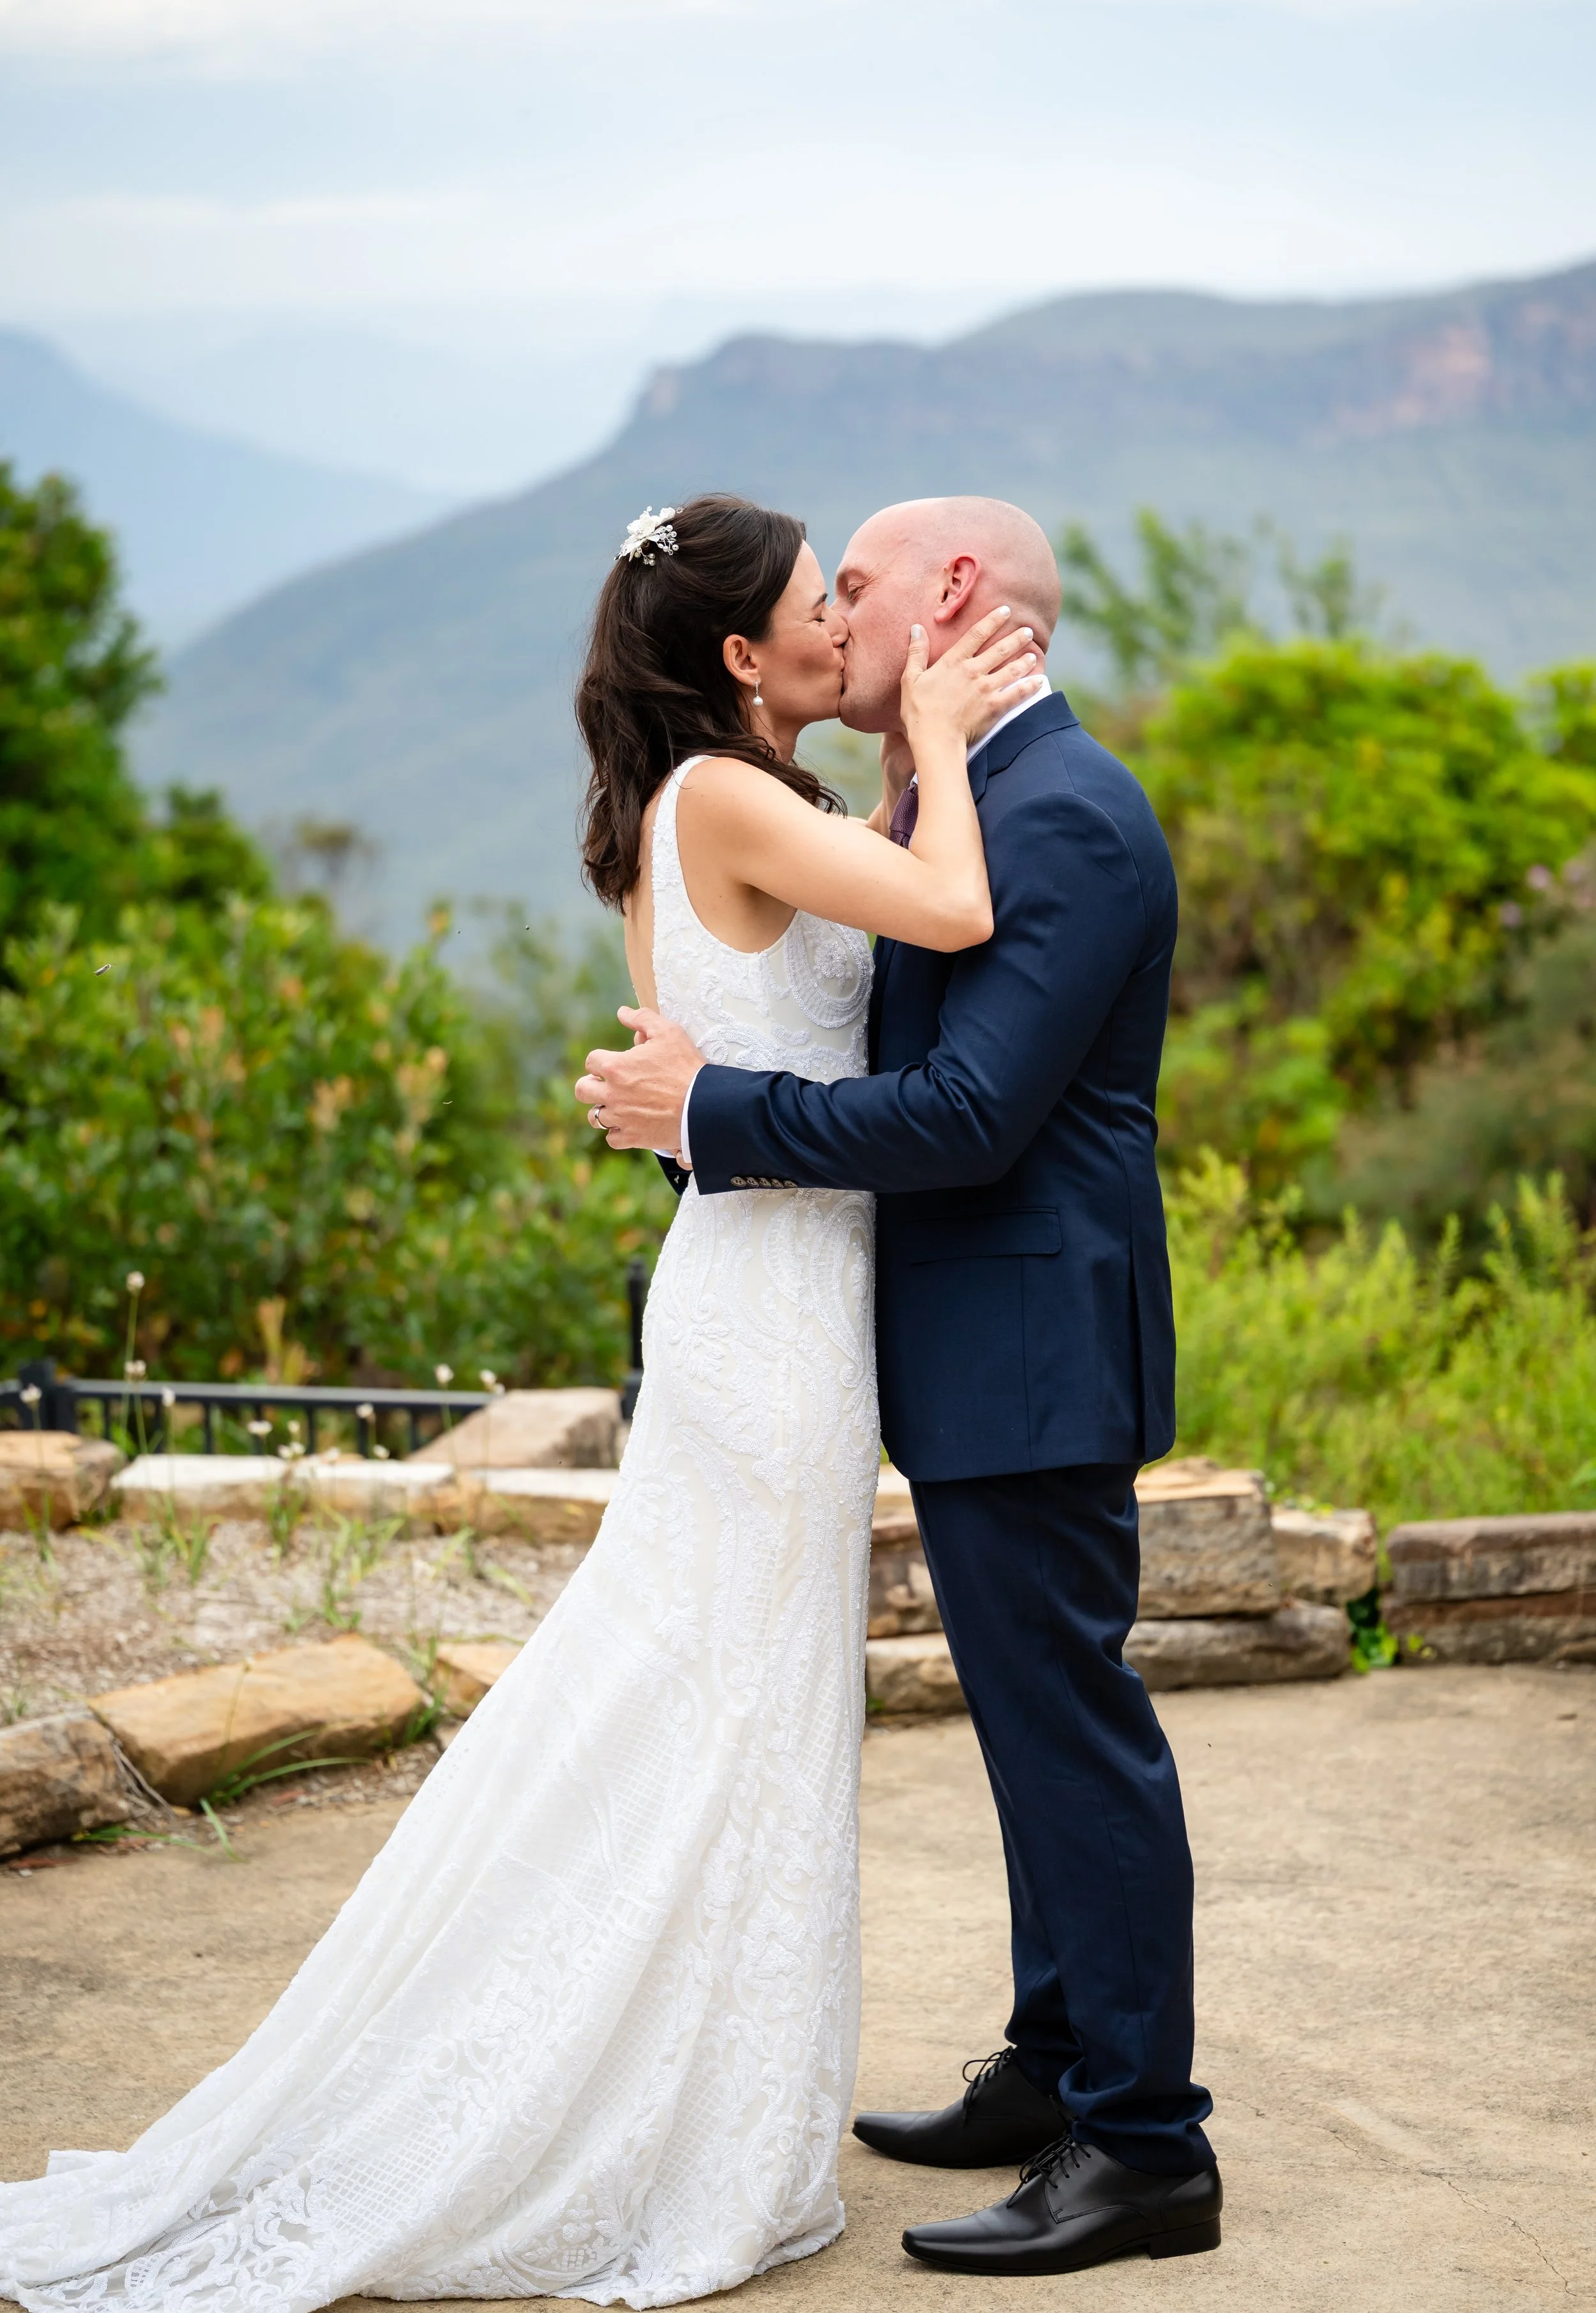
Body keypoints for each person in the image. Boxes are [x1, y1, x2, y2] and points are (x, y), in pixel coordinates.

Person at [0, 493, 1037, 2313]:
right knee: (723, 1703)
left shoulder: (725, 803)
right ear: (738, 654)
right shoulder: (726, 798)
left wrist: (886, 782)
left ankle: (707, 2107)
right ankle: (659, 2129)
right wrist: (942, 741)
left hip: (761, 1294)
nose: (839, 627)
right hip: (770, 1318)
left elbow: (754, 1029)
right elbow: (950, 903)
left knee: (724, 1698)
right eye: (815, 604)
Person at [576, 493, 1223, 2279]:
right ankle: (1051, 2063)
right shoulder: (945, 801)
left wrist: (710, 1118)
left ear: (948, 593)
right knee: (1030, 1730)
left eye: (852, 581)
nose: (837, 610)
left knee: (1071, 1737)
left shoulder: (1065, 815)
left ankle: (1149, 2147)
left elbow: (963, 1118)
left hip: (1025, 1345)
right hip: (945, 1343)